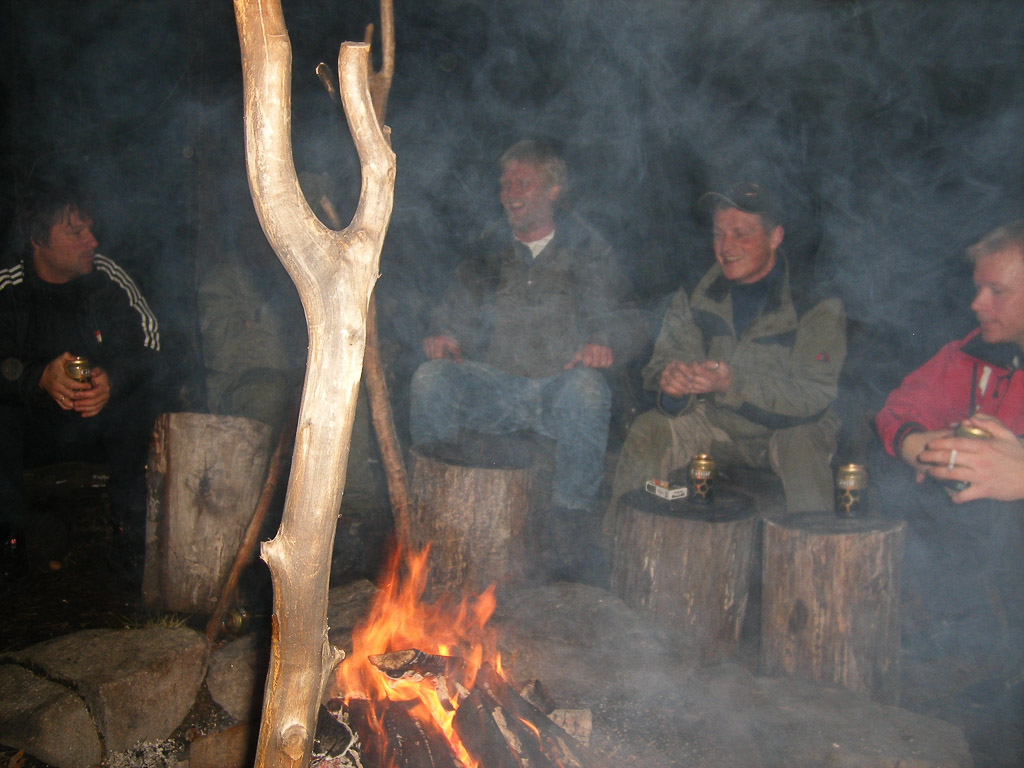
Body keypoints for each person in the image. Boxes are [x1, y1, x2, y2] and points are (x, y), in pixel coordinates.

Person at [409, 139, 634, 582]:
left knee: (588, 390)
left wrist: (604, 341)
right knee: (431, 379)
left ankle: (570, 531)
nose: (510, 192)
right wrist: (446, 335)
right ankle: (434, 509)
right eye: (505, 183)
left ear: (553, 190)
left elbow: (626, 315)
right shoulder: (488, 248)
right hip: (495, 387)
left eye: (523, 183)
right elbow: (454, 309)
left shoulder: (586, 247)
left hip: (557, 388)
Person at [607, 181, 846, 524]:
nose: (726, 247)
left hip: (789, 428)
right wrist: (672, 386)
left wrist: (732, 383)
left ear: (775, 237)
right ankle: (621, 539)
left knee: (802, 443)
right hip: (716, 423)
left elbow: (813, 393)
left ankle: (815, 551)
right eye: (719, 235)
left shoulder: (814, 303)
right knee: (651, 428)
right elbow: (661, 364)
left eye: (740, 234)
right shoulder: (698, 292)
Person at [0, 175, 161, 577]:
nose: (92, 241)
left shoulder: (105, 278)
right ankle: (9, 542)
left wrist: (112, 380)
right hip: (31, 434)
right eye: (75, 232)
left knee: (140, 403)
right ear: (38, 240)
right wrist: (37, 378)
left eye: (90, 228)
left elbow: (152, 345)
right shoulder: (10, 286)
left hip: (95, 426)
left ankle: (130, 535)